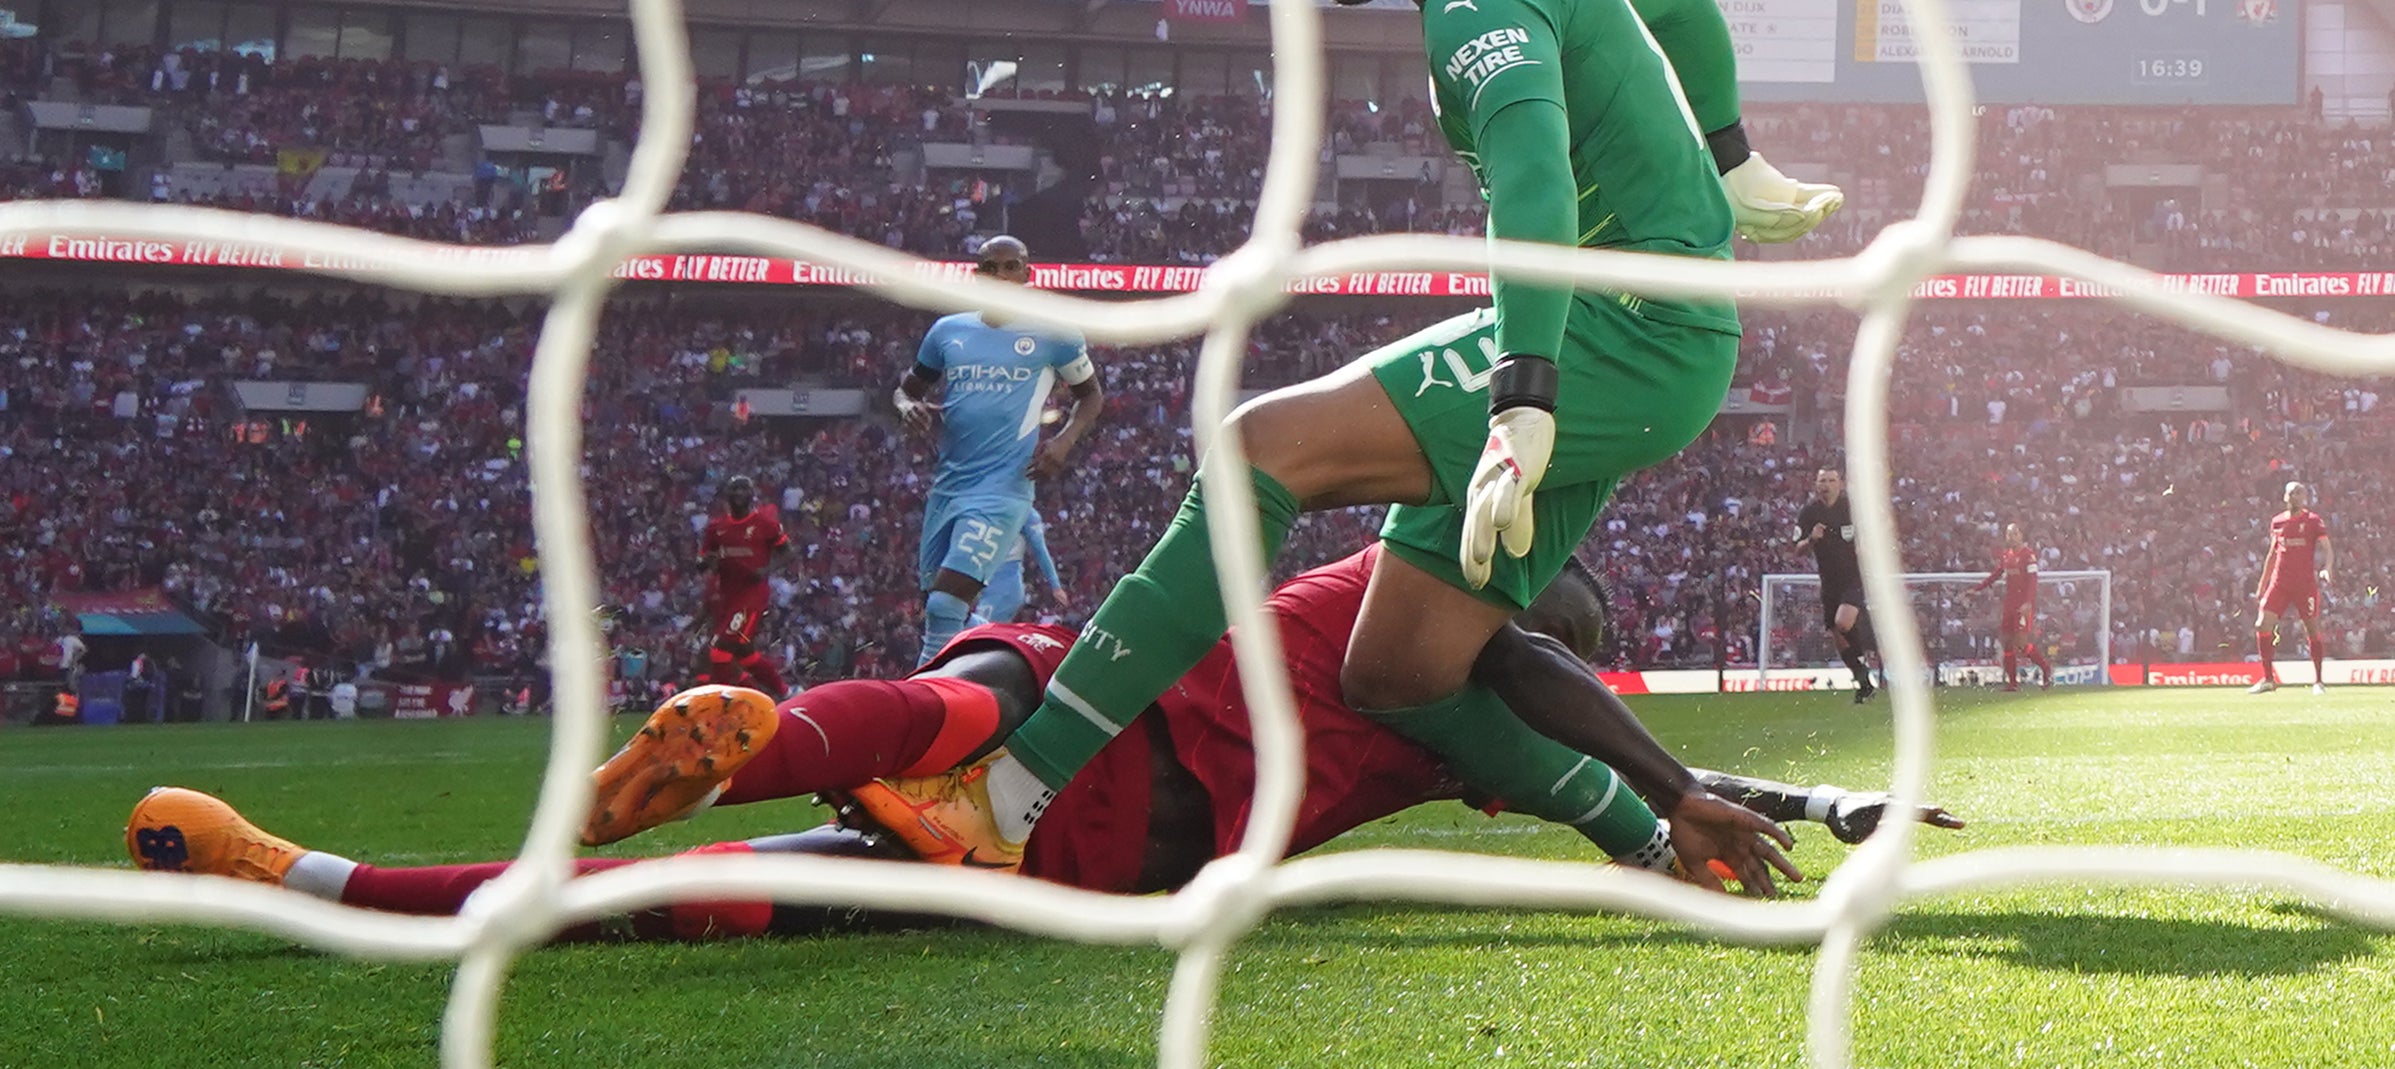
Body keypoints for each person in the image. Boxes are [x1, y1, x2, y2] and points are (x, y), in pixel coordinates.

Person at [870, 0, 1844, 870]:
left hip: (1615, 328)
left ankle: (1008, 793)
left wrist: (1523, 396)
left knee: (1260, 448)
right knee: (1398, 670)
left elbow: (1532, 190)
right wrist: (1733, 160)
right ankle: (1658, 840)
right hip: (1643, 332)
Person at [127, 549, 1966, 928]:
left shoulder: (1379, 612)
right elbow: (1586, 736)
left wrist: (1797, 788)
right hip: (1099, 851)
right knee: (715, 893)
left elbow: (1578, 725)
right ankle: (312, 876)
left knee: (994, 683)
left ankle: (307, 867)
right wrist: (1690, 798)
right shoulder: (1474, 707)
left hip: (1072, 729)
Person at [894, 235, 1103, 667]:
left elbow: (1091, 396)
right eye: (992, 268)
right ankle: (973, 682)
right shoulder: (949, 331)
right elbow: (906, 391)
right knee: (935, 604)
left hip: (1004, 489)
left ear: (1028, 274)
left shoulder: (1054, 331)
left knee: (944, 606)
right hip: (948, 487)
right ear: (978, 275)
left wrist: (1063, 441)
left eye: (1012, 267)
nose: (1002, 276)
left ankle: (925, 700)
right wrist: (908, 406)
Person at [699, 474, 790, 700]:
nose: (738, 494)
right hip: (727, 596)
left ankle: (719, 705)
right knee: (744, 654)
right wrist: (705, 563)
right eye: (734, 489)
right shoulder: (716, 527)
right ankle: (784, 693)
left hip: (752, 597)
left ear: (751, 495)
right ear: (727, 495)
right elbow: (703, 558)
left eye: (743, 489)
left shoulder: (765, 525)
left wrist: (765, 570)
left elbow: (787, 552)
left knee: (720, 650)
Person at [1794, 466, 1879, 704]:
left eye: (1831, 480)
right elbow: (1797, 549)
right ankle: (1863, 682)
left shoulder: (1851, 509)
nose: (1826, 484)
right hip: (1828, 581)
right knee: (1838, 634)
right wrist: (1811, 538)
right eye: (1822, 480)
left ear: (1839, 484)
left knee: (1843, 623)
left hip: (1853, 577)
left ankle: (1867, 649)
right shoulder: (1809, 512)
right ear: (1816, 484)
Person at [2252, 481, 2333, 695]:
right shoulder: (2277, 522)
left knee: (2312, 629)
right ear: (2285, 497)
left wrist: (2327, 568)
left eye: (2300, 493)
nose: (2297, 496)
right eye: (2292, 493)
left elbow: (2327, 548)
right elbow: (2272, 553)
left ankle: (2318, 681)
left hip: (2304, 584)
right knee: (2262, 625)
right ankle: (2268, 679)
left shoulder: (2313, 521)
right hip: (2280, 583)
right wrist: (2263, 583)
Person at [1967, 523, 2051, 691]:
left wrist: (2028, 602)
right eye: (2008, 534)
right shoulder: (2007, 555)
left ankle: (2046, 669)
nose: (2011, 537)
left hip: (2023, 605)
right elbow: (1996, 574)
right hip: (2009, 604)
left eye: (2014, 533)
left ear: (2021, 535)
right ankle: (2013, 683)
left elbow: (2033, 580)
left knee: (2021, 644)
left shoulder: (2028, 555)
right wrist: (1977, 589)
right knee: (2006, 643)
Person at [970, 509, 1067, 627]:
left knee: (980, 634)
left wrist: (1055, 585)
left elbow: (1040, 550)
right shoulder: (983, 506)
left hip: (1005, 586)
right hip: (983, 584)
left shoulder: (1025, 513)